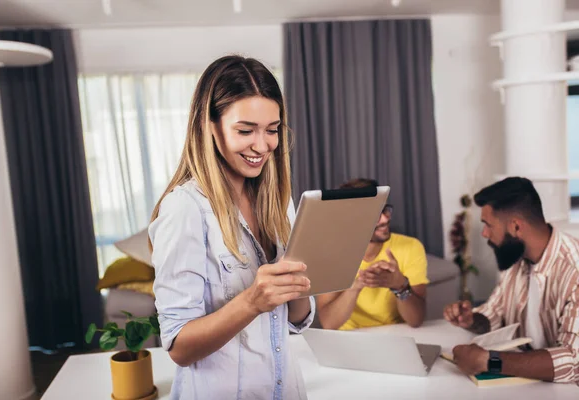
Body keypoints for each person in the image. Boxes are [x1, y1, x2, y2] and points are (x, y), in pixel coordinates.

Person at [149, 55, 315, 399]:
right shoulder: (185, 208)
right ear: (209, 126)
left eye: (272, 130)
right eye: (245, 130)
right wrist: (252, 301)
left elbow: (294, 321)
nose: (262, 145)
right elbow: (180, 346)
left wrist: (301, 285)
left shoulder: (277, 202)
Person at [444, 177, 579, 383]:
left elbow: (573, 360)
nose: (484, 233)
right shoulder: (515, 258)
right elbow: (494, 314)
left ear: (516, 227)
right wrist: (471, 319)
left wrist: (489, 361)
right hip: (531, 385)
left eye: (488, 225)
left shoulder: (574, 269)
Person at [316, 178, 428, 330]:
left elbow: (416, 320)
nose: (385, 218)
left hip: (394, 335)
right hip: (349, 338)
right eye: (374, 214)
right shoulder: (331, 254)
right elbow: (329, 323)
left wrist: (400, 285)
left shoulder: (411, 247)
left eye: (384, 209)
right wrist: (356, 286)